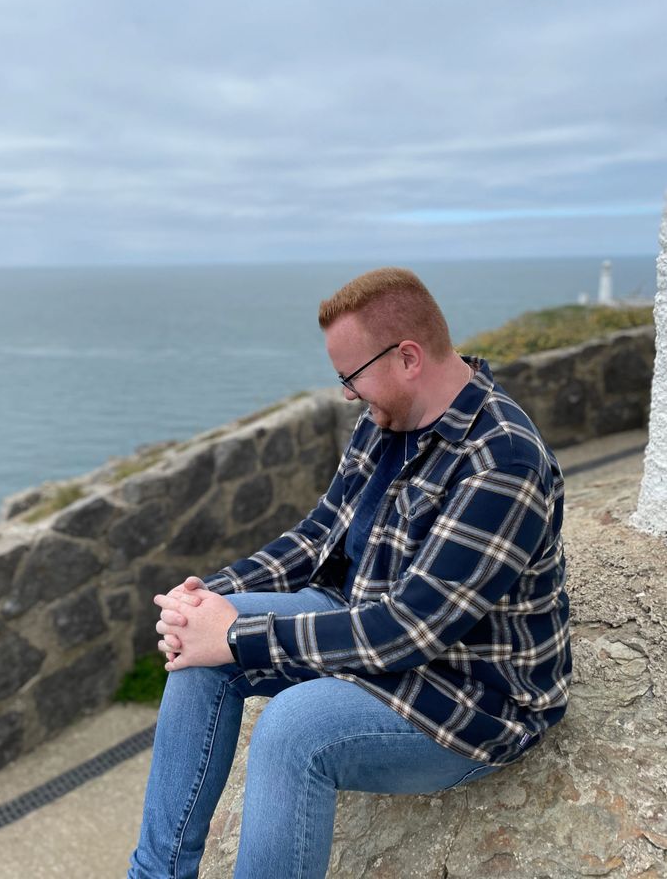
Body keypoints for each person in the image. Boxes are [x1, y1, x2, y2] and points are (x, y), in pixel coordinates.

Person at [128, 267, 572, 879]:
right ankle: (156, 873)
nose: (346, 394)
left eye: (350, 375)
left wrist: (237, 635)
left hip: (468, 696)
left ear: (408, 357)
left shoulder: (501, 463)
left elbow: (409, 629)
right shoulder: (387, 419)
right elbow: (317, 537)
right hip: (363, 624)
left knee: (291, 730)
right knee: (198, 655)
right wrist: (212, 598)